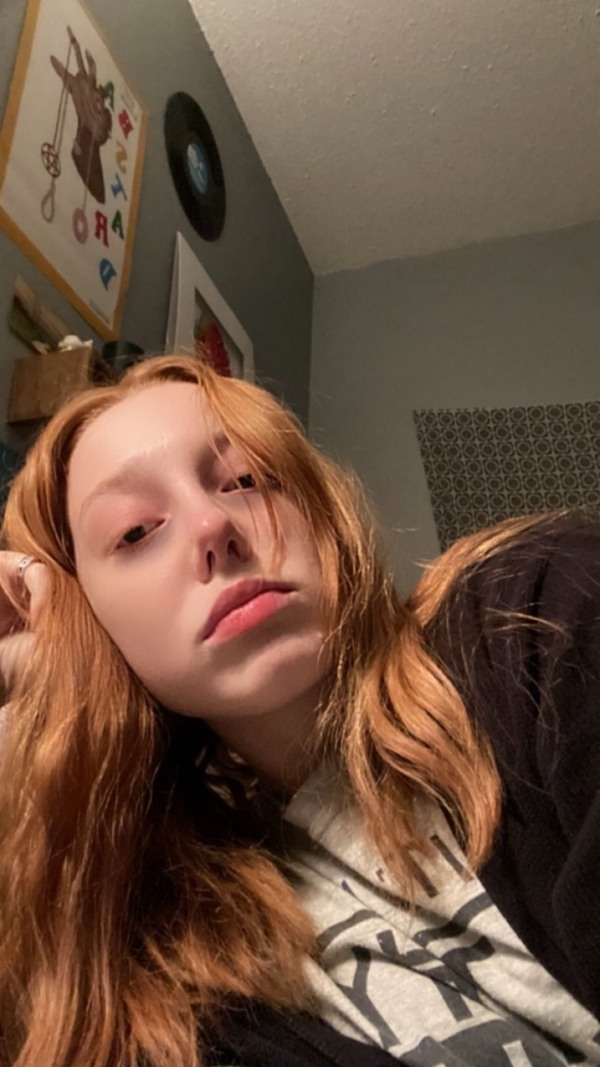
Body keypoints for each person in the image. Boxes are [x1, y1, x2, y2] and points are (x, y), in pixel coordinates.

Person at [0, 353, 598, 1067]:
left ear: (321, 512)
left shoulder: (534, 616)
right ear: (92, 622)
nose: (212, 524)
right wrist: (43, 732)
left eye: (246, 479)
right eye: (133, 531)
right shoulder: (184, 953)